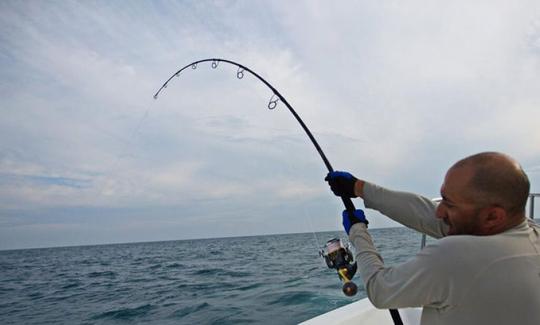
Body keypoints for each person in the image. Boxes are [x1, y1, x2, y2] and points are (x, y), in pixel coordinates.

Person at [324, 152, 540, 325]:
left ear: (493, 216)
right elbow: (428, 214)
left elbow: (380, 290)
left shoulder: (457, 257)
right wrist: (360, 188)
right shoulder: (530, 233)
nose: (439, 212)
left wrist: (357, 231)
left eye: (450, 204)